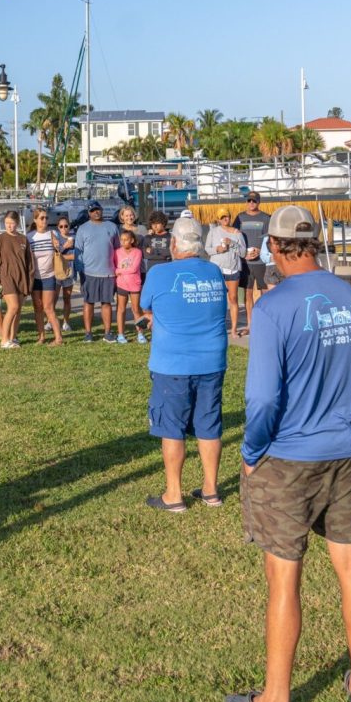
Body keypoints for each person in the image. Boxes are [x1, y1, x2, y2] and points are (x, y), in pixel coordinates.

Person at [228, 206, 351, 702]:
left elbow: (263, 400)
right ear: (315, 242)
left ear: (273, 244)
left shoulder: (272, 307)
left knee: (284, 578)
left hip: (289, 455)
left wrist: (250, 454)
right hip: (344, 447)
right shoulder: (350, 297)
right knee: (350, 565)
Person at [140, 217, 228, 512]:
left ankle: (174, 494)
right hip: (212, 360)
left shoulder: (159, 273)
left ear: (174, 243)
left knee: (172, 427)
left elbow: (146, 306)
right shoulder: (214, 272)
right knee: (209, 424)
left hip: (173, 362)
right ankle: (211, 490)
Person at [73, 201, 119, 342]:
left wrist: (118, 269)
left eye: (98, 209)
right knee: (89, 302)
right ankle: (88, 333)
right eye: (93, 211)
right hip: (89, 273)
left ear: (102, 210)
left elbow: (118, 249)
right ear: (89, 213)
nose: (96, 212)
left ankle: (107, 333)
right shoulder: (83, 229)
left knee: (106, 303)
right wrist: (79, 270)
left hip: (108, 272)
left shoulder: (112, 227)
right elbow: (78, 251)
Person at [0, 210, 32, 349]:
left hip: (22, 278)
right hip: (6, 277)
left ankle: (13, 337)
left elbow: (29, 263)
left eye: (12, 223)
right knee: (12, 307)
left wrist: (29, 283)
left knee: (18, 309)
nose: (9, 226)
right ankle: (4, 339)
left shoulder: (23, 239)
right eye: (7, 223)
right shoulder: (0, 239)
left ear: (17, 223)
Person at [206, 209, 247, 337]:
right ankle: (217, 327)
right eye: (222, 217)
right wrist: (218, 249)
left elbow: (243, 253)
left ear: (230, 218)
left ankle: (234, 329)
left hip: (232, 268)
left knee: (233, 298)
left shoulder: (237, 233)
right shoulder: (213, 232)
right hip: (217, 268)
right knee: (217, 299)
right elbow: (207, 249)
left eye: (227, 217)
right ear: (218, 219)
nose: (225, 219)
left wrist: (232, 243)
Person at [233, 192, 271, 319]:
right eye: (249, 201)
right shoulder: (240, 217)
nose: (251, 203)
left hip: (261, 262)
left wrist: (261, 250)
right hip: (245, 263)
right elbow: (234, 238)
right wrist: (242, 255)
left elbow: (270, 239)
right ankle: (250, 324)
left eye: (254, 201)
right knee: (247, 294)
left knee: (265, 294)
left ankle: (265, 321)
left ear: (259, 202)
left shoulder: (266, 218)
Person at [27, 208, 62, 346]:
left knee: (48, 307)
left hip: (49, 276)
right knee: (37, 307)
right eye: (41, 218)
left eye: (46, 218)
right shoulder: (30, 237)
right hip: (35, 276)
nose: (45, 221)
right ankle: (41, 336)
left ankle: (58, 338)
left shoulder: (53, 234)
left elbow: (60, 250)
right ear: (35, 220)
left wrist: (59, 245)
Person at [112, 229, 144, 344]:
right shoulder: (116, 252)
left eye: (126, 240)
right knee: (121, 309)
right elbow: (114, 268)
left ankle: (140, 333)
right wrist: (118, 271)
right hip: (121, 284)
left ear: (132, 240)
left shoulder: (137, 252)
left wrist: (120, 270)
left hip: (134, 284)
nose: (123, 242)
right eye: (122, 240)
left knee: (136, 309)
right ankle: (121, 334)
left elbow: (134, 268)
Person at [54, 216, 76, 332]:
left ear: (69, 226)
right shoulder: (56, 239)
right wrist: (64, 247)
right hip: (57, 272)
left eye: (66, 226)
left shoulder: (74, 239)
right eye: (61, 226)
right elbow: (55, 255)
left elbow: (76, 256)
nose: (64, 228)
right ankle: (50, 321)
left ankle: (66, 322)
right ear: (58, 228)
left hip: (69, 271)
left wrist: (63, 256)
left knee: (67, 298)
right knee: (54, 297)